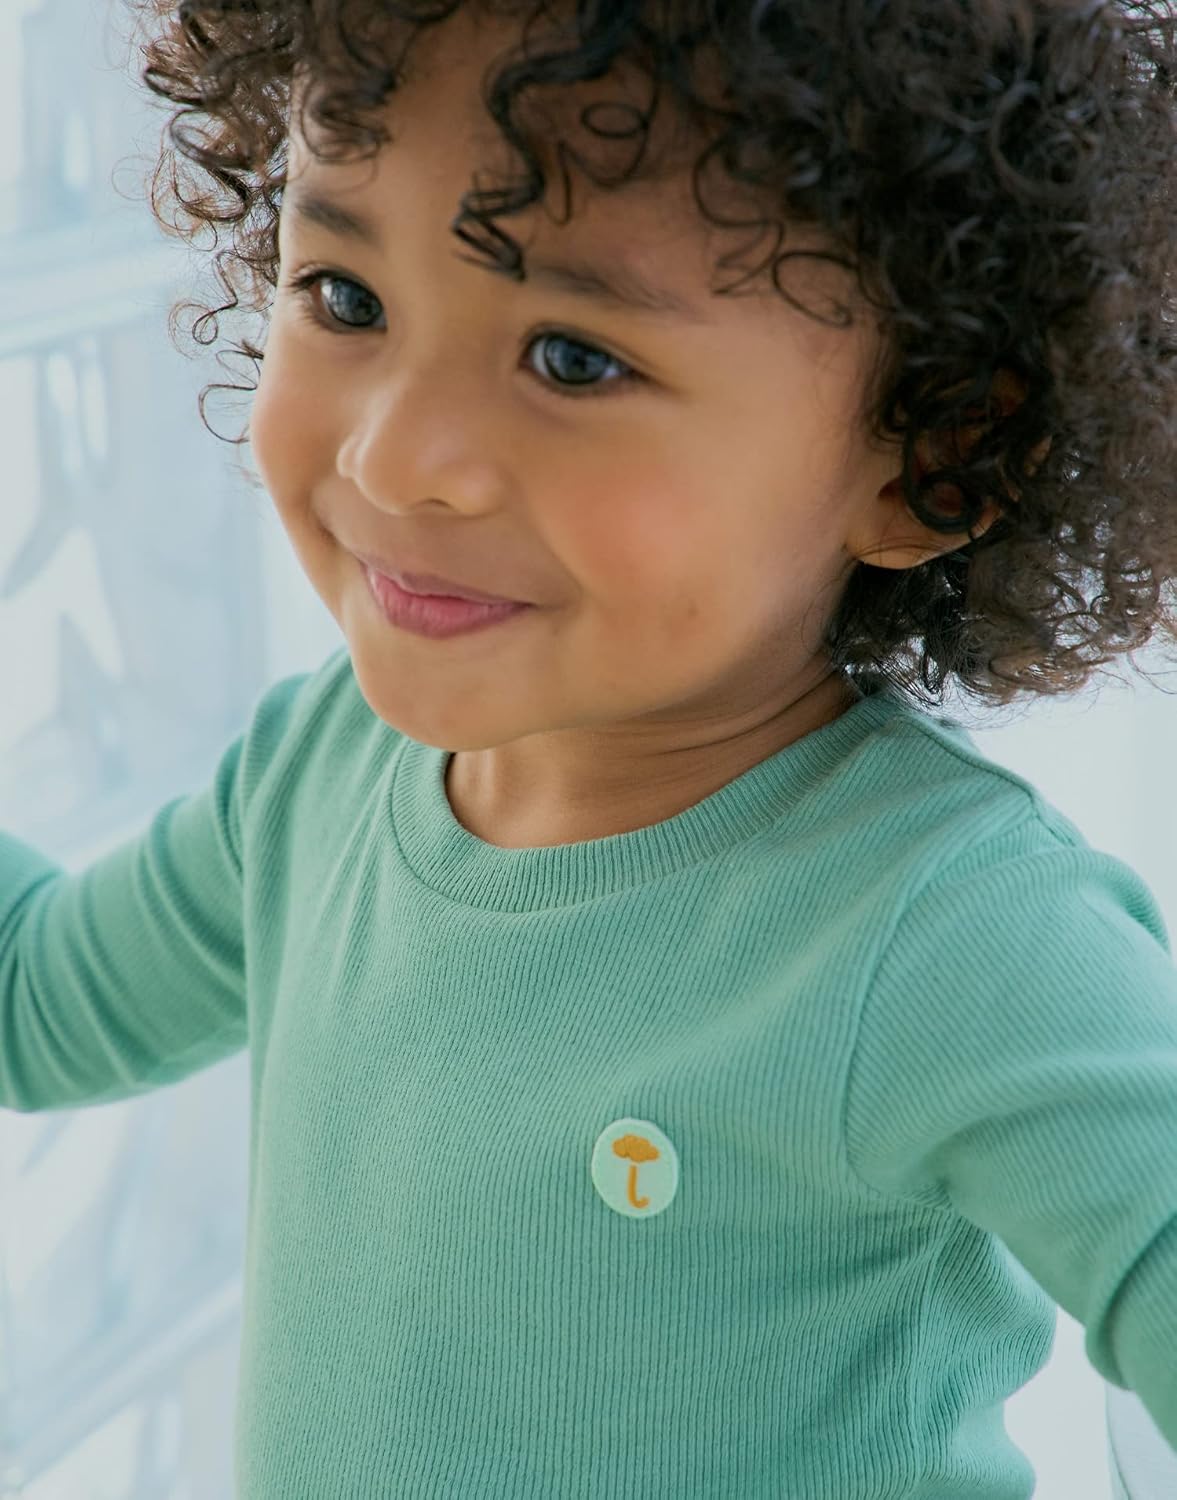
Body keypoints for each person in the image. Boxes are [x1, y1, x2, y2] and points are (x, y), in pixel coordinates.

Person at [5, 0, 1177, 1493]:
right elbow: (28, 999)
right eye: (346, 298)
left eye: (570, 358)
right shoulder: (314, 777)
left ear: (932, 454)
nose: (392, 457)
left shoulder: (952, 935)